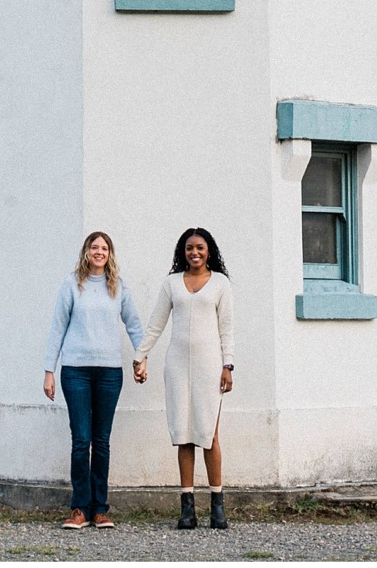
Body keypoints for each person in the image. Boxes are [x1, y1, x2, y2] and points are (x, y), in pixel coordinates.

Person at [133, 227, 234, 531]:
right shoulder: (171, 284)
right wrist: (140, 355)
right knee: (184, 435)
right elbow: (156, 323)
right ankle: (187, 509)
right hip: (177, 366)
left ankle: (217, 507)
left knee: (208, 434)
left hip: (209, 366)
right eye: (189, 248)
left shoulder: (220, 284)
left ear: (209, 251)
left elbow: (227, 328)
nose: (195, 253)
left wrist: (228, 365)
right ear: (182, 251)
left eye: (200, 248)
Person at [43, 230, 144, 530]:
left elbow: (135, 326)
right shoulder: (72, 285)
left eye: (104, 248)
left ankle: (100, 509)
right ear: (86, 252)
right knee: (81, 440)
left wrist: (141, 358)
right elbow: (57, 329)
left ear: (110, 254)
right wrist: (49, 370)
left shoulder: (119, 288)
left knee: (101, 442)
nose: (99, 252)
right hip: (76, 371)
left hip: (109, 373)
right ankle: (79, 509)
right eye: (94, 247)